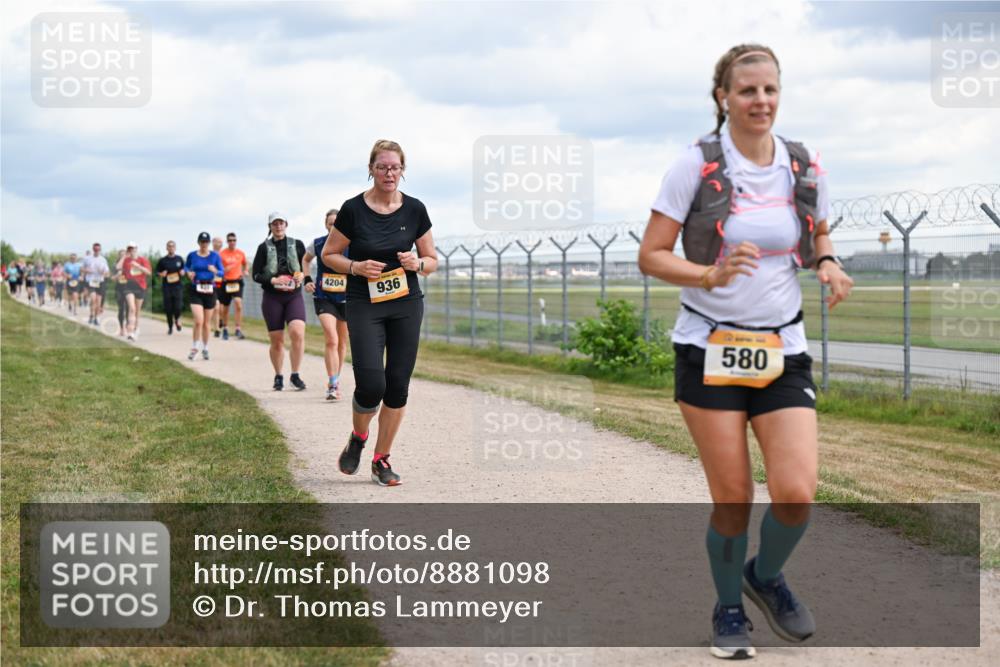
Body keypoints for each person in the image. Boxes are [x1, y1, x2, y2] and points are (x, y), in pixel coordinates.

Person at [638, 44, 854, 660]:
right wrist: (708, 274)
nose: (761, 100)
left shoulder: (803, 164)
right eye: (747, 90)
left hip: (782, 347)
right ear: (723, 98)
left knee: (796, 492)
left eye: (770, 89)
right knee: (733, 498)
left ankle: (765, 575)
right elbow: (651, 255)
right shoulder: (696, 165)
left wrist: (829, 262)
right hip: (708, 348)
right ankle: (729, 608)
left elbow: (818, 232)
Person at [322, 139, 438, 487]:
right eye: (382, 167)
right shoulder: (353, 209)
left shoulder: (415, 209)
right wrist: (355, 267)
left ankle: (381, 459)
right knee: (372, 385)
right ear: (371, 169)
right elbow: (329, 254)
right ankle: (358, 438)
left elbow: (432, 260)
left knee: (398, 386)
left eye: (395, 167)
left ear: (403, 170)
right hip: (364, 303)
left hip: (405, 302)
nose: (389, 173)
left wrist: (417, 263)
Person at [251, 212, 308, 391]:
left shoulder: (297, 244)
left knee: (297, 332)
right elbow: (255, 275)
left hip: (293, 296)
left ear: (286, 224)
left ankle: (295, 374)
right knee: (277, 340)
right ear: (270, 226)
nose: (278, 226)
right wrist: (273, 280)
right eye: (274, 224)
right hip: (272, 297)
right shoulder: (263, 247)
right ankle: (278, 375)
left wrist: (301, 276)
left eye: (281, 223)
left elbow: (305, 266)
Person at [304, 208, 350, 400]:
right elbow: (305, 260)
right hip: (324, 296)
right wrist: (307, 279)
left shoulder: (352, 243)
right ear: (326, 225)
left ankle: (335, 380)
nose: (333, 227)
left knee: (342, 342)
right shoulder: (317, 243)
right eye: (330, 224)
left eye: (336, 223)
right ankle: (332, 383)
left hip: (346, 298)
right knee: (331, 339)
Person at [185, 232, 224, 360]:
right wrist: (188, 273)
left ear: (209, 243)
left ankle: (205, 348)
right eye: (202, 241)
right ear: (198, 242)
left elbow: (222, 272)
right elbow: (186, 267)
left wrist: (215, 271)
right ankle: (195, 347)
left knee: (206, 323)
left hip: (210, 290)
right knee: (198, 321)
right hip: (196, 289)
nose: (204, 244)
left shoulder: (215, 256)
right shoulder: (192, 255)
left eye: (206, 242)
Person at [116, 242, 151, 341]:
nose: (131, 250)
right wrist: (124, 256)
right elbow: (118, 267)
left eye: (133, 248)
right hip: (129, 286)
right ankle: (130, 332)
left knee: (137, 311)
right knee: (132, 308)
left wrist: (138, 266)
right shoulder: (126, 260)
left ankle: (136, 328)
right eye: (129, 248)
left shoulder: (143, 260)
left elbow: (148, 272)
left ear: (136, 249)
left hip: (140, 286)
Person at [218, 232, 249, 340]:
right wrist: (223, 270)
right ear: (227, 241)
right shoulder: (222, 254)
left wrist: (245, 270)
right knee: (225, 308)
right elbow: (218, 268)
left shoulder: (240, 253)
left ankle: (238, 329)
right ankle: (225, 329)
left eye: (234, 240)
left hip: (237, 281)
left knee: (238, 304)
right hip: (226, 282)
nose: (232, 242)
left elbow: (245, 263)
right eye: (230, 240)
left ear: (236, 241)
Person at [156, 240, 185, 334]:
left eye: (172, 246)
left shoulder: (179, 259)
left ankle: (177, 320)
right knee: (168, 309)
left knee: (178, 307)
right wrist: (161, 274)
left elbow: (184, 269)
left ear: (175, 248)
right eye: (169, 246)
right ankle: (170, 327)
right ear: (167, 248)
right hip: (167, 287)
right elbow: (157, 272)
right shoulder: (162, 260)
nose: (171, 248)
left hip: (178, 287)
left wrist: (183, 272)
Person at [82, 243, 109, 325]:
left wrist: (103, 273)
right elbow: (82, 269)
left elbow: (107, 272)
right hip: (91, 281)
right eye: (95, 249)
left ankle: (96, 318)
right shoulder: (87, 259)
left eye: (98, 249)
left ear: (100, 250)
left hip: (100, 281)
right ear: (93, 249)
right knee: (93, 299)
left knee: (98, 301)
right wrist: (87, 270)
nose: (97, 251)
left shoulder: (103, 259)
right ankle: (91, 315)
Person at [211, 236, 225, 338]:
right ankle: (217, 329)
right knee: (216, 306)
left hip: (224, 283)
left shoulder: (225, 254)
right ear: (212, 243)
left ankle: (220, 320)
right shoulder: (209, 255)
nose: (218, 244)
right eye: (216, 242)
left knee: (222, 307)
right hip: (212, 283)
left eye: (220, 242)